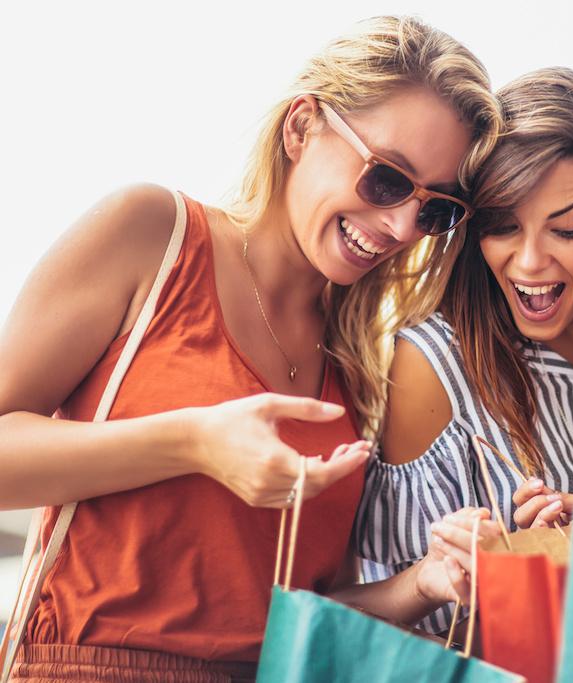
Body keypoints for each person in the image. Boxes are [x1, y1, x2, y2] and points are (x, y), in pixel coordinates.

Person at [0, 16, 500, 681]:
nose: (401, 226)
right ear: (301, 127)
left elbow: (298, 620)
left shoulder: (355, 365)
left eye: (434, 210)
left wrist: (426, 581)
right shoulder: (154, 235)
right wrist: (195, 442)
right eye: (388, 179)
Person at [355, 67, 573, 632]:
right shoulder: (431, 367)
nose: (527, 263)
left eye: (567, 229)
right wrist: (457, 576)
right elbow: (376, 622)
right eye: (503, 225)